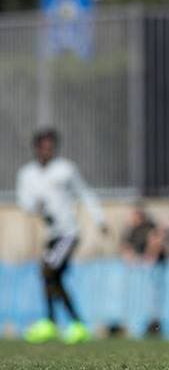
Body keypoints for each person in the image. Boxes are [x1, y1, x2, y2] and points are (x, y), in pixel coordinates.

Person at [15, 127, 107, 344]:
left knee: (48, 270)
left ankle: (57, 322)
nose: (47, 151)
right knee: (52, 277)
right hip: (51, 236)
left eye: (51, 147)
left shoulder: (65, 169)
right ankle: (70, 324)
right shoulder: (28, 174)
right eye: (43, 147)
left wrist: (99, 219)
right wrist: (34, 206)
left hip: (68, 233)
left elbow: (84, 193)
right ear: (36, 148)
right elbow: (24, 202)